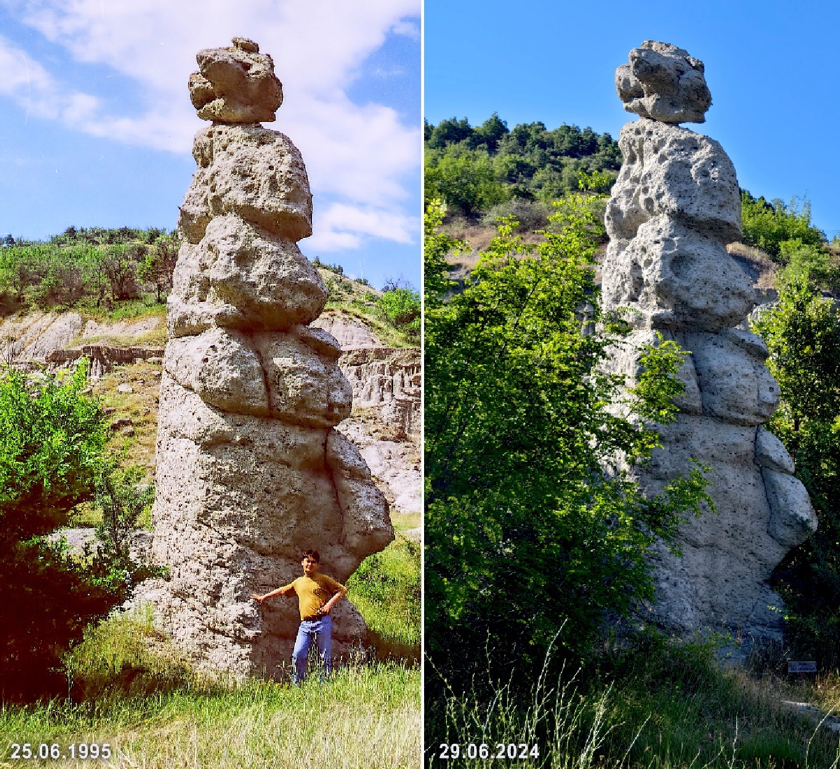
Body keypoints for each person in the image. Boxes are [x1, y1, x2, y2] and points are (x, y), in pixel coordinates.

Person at [252, 549, 347, 684]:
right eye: (307, 561)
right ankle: (298, 685)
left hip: (322, 622)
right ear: (302, 563)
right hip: (305, 625)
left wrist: (329, 605)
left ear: (317, 565)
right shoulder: (298, 582)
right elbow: (282, 590)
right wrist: (264, 597)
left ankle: (324, 686)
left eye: (313, 562)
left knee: (324, 656)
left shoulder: (323, 579)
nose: (310, 564)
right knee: (298, 654)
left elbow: (342, 590)